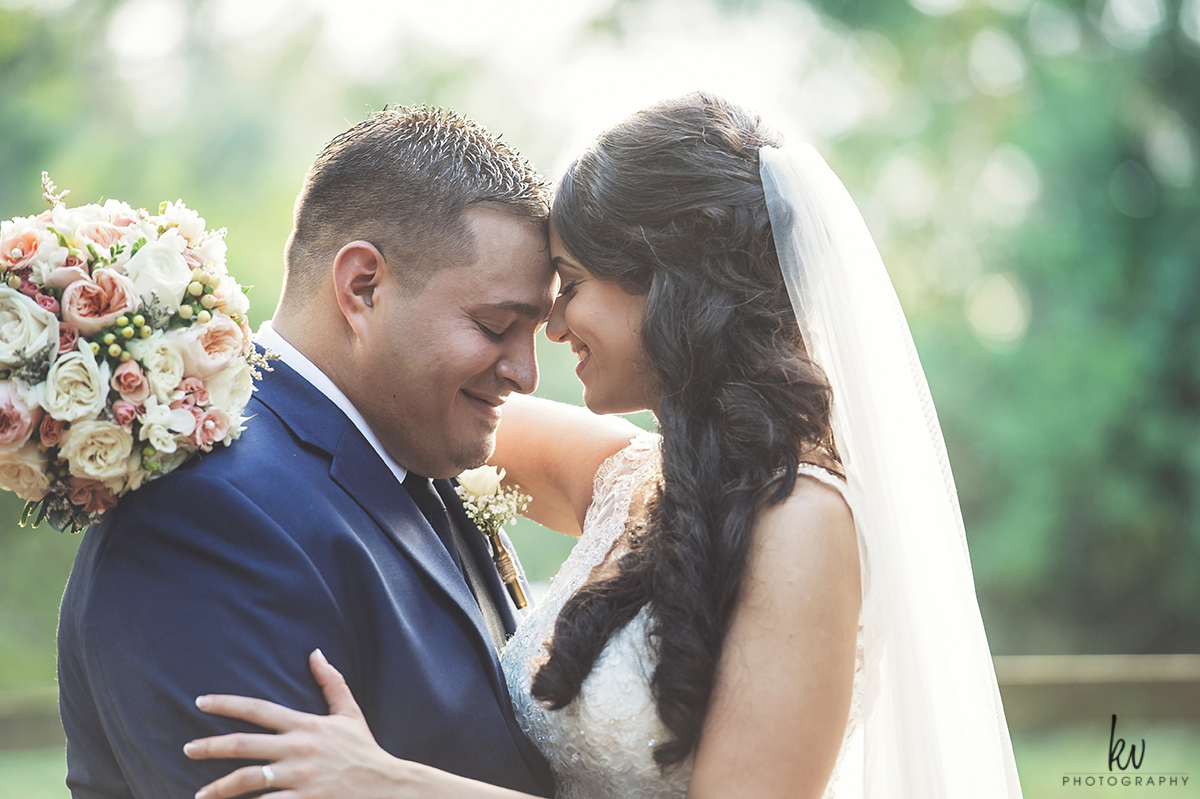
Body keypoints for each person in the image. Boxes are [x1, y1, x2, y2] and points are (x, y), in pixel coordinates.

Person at [183, 92, 1025, 798]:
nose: (548, 330)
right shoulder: (631, 477)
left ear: (669, 287)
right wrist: (159, 380)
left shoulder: (801, 519)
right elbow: (380, 399)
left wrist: (395, 784)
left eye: (571, 286)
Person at [55, 106, 634, 798]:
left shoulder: (414, 446)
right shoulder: (202, 515)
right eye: (495, 326)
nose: (525, 373)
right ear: (363, 286)